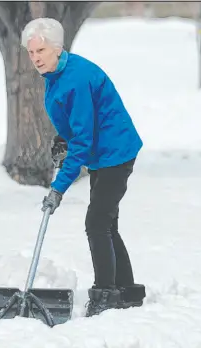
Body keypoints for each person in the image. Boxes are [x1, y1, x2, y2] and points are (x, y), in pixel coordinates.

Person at [21, 17, 146, 317]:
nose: (35, 57)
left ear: (56, 48)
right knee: (106, 222)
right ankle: (125, 290)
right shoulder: (57, 73)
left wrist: (58, 188)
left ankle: (105, 295)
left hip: (114, 153)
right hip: (103, 153)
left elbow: (84, 141)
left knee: (97, 223)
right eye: (30, 52)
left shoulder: (74, 78)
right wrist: (63, 137)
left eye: (40, 50)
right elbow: (79, 126)